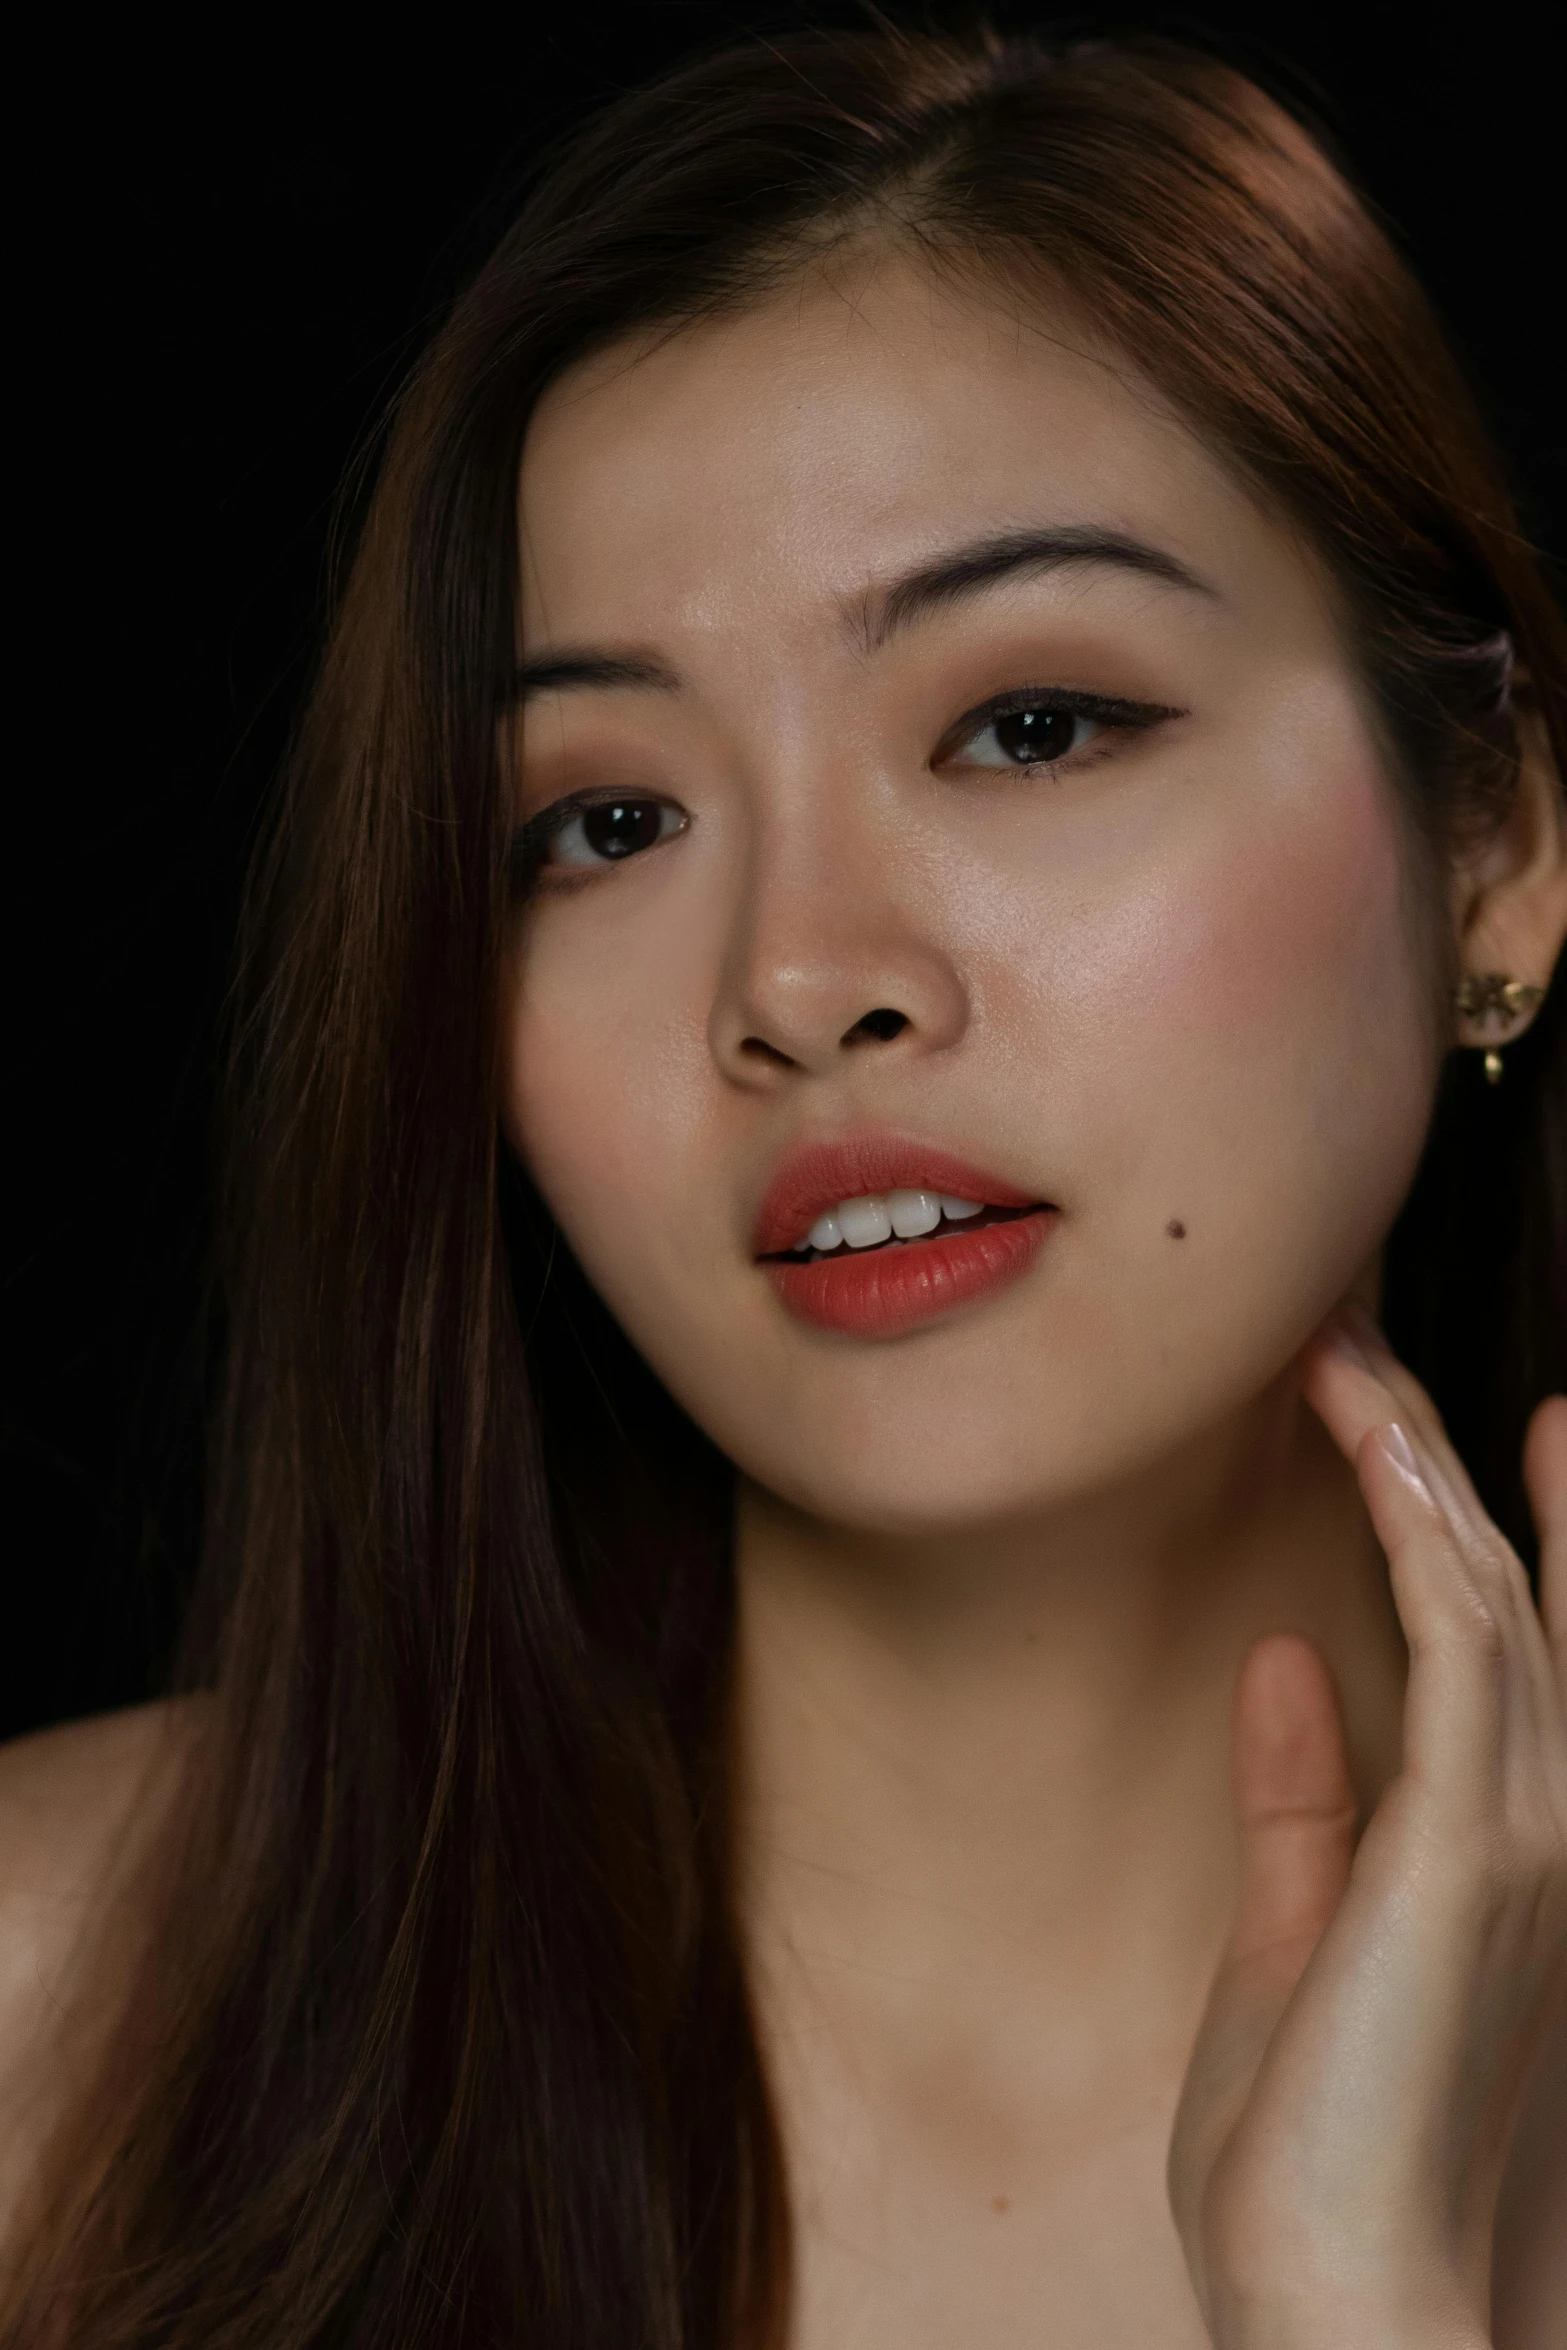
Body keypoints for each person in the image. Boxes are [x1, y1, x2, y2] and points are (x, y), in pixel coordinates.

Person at [2, 24, 1564, 2348]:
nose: (805, 975)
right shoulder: (48, 2008)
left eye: (1028, 722)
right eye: (605, 822)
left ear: (1495, 855)